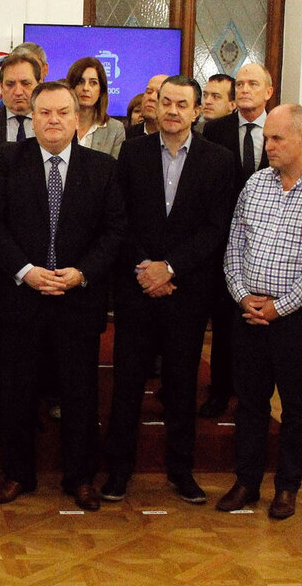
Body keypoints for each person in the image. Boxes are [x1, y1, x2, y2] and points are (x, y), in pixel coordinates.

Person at [0, 82, 125, 510]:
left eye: (63, 112)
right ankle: (16, 474)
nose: (54, 120)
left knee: (80, 395)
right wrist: (25, 271)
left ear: (77, 118)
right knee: (16, 392)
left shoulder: (102, 167)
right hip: (19, 298)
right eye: (45, 113)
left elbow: (115, 231)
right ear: (33, 118)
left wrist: (81, 274)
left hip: (76, 300)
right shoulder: (6, 160)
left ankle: (80, 477)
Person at [102, 76, 236, 505]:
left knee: (181, 386)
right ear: (153, 107)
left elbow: (216, 228)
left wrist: (170, 268)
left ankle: (182, 472)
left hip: (186, 291)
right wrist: (147, 269)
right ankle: (118, 473)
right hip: (137, 287)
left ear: (197, 112)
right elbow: (120, 218)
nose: (173, 111)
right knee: (127, 385)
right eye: (165, 102)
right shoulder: (133, 151)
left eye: (183, 104)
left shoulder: (219, 160)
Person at [216, 103, 302, 520]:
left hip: (293, 319)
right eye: (267, 137)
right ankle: (246, 481)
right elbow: (233, 246)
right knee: (249, 403)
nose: (267, 145)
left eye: (277, 138)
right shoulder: (255, 185)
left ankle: (287, 487)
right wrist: (241, 295)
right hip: (248, 313)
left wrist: (279, 307)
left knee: (295, 406)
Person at [200, 63, 275, 419]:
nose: (245, 89)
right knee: (224, 318)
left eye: (252, 84)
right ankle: (218, 390)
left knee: (259, 328)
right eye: (240, 84)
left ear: (268, 92)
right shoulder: (215, 131)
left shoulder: (280, 129)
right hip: (222, 241)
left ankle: (253, 395)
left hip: (270, 245)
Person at [65, 56, 126, 159]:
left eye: (93, 83)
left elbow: (114, 171)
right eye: (80, 82)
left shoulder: (115, 129)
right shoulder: (60, 122)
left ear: (101, 90)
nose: (86, 88)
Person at [125, 74, 168, 138]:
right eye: (149, 92)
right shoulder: (126, 136)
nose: (151, 98)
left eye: (159, 93)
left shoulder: (178, 137)